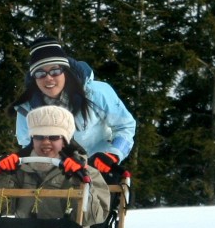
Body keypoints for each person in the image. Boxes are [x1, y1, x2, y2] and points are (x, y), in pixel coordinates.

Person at [9, 37, 136, 175]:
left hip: (98, 168)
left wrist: (113, 154)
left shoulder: (96, 93)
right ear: (34, 78)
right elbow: (29, 145)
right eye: (40, 73)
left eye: (55, 71)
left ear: (65, 71)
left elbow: (125, 126)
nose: (48, 78)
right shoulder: (27, 108)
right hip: (58, 176)